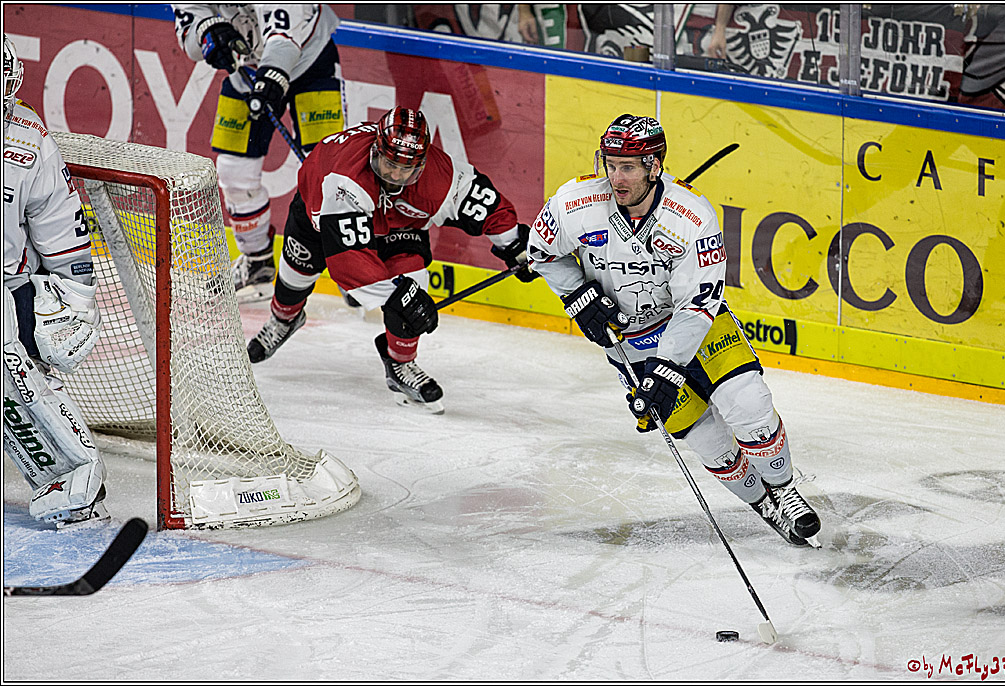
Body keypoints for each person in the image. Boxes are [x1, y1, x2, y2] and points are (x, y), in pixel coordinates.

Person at [526, 114, 822, 547]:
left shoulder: (691, 215)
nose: (616, 177)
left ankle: (784, 490)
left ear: (654, 166)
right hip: (629, 341)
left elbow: (697, 305)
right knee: (707, 441)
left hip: (696, 325)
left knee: (749, 404)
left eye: (629, 167)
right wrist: (577, 294)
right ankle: (762, 503)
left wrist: (668, 366)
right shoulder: (574, 203)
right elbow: (541, 251)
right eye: (611, 164)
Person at [246, 106, 537, 414]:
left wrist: (513, 245)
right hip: (319, 212)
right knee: (296, 274)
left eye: (406, 169)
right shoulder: (344, 179)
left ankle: (400, 364)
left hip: (396, 224)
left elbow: (483, 202)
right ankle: (284, 320)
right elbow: (348, 261)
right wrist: (397, 299)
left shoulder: (439, 174)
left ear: (422, 163)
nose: (396, 175)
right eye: (389, 164)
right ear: (376, 150)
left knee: (412, 281)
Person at [3, 34, 110, 528]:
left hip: (8, 289)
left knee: (13, 371)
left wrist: (76, 298)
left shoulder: (27, 140)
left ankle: (73, 480)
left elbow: (61, 225)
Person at [172, 4, 344, 302]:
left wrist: (272, 77)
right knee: (233, 172)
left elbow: (284, 39)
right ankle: (257, 261)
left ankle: (348, 261)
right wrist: (208, 31)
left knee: (329, 173)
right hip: (247, 68)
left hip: (310, 59)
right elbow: (191, 31)